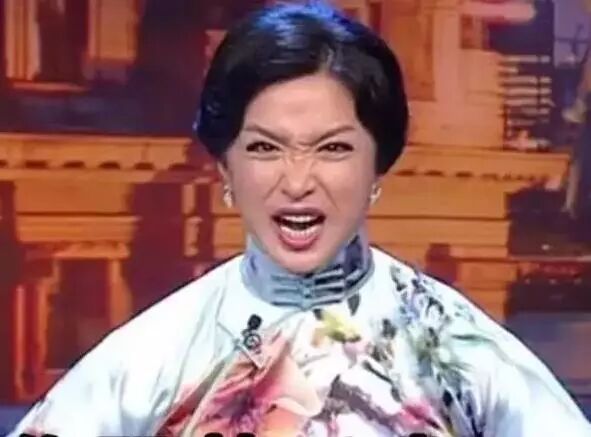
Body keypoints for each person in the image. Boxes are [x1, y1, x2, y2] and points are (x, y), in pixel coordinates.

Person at [10, 3, 591, 436]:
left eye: (333, 148)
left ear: (379, 166)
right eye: (265, 148)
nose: (296, 181)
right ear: (226, 168)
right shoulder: (149, 359)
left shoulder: (460, 353)